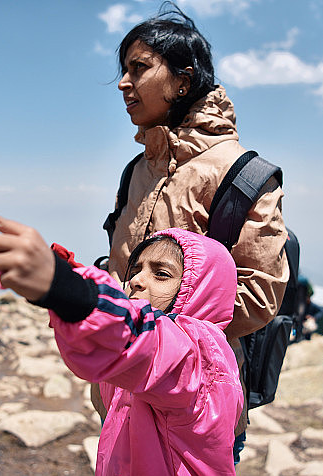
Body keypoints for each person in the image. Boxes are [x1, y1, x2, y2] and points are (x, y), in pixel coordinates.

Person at [0, 204, 245, 476]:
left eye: (161, 274)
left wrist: (63, 286)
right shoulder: (140, 366)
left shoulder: (201, 359)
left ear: (200, 291)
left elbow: (143, 343)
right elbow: (124, 342)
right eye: (136, 269)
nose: (138, 280)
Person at [96, 4, 289, 449]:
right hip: (122, 396)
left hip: (195, 405)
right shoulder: (137, 170)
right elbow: (124, 269)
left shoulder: (242, 175)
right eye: (123, 70)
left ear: (183, 81)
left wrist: (154, 339)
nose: (124, 83)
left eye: (139, 68)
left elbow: (259, 296)